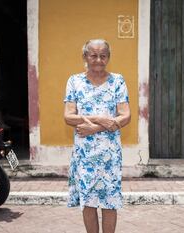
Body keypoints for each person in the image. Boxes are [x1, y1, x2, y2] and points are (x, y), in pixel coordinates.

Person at [64, 39, 131, 233]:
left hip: (110, 153)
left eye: (103, 55)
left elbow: (125, 115)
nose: (99, 60)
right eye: (93, 55)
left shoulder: (117, 81)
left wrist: (95, 128)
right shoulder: (74, 81)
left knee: (110, 201)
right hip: (84, 154)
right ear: (85, 56)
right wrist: (100, 118)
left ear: (108, 57)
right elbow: (68, 116)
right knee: (89, 201)